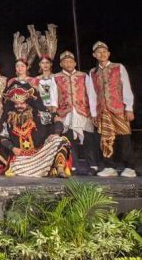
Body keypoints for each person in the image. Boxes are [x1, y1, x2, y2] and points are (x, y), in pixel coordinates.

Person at [1, 86, 71, 178]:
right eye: (16, 104)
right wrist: (13, 148)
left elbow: (57, 119)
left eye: (22, 103)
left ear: (28, 104)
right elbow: (3, 138)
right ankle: (41, 170)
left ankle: (60, 170)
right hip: (22, 158)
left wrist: (56, 134)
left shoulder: (38, 115)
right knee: (15, 167)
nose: (19, 106)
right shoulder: (9, 120)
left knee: (60, 140)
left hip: (41, 154)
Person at [90, 41, 136, 178]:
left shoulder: (118, 67)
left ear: (108, 53)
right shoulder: (93, 72)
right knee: (105, 139)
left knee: (124, 137)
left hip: (118, 108)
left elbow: (126, 87)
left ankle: (129, 167)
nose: (102, 54)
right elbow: (92, 94)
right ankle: (110, 166)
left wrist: (129, 107)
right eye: (99, 52)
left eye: (104, 51)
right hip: (103, 110)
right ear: (94, 55)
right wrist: (94, 113)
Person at [54, 50, 99, 175]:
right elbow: (53, 96)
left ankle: (93, 166)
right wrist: (55, 113)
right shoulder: (56, 77)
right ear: (61, 64)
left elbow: (91, 94)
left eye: (70, 61)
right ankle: (72, 166)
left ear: (74, 63)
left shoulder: (83, 76)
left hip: (83, 111)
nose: (68, 64)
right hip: (65, 112)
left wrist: (93, 112)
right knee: (69, 140)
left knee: (88, 139)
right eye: (65, 62)